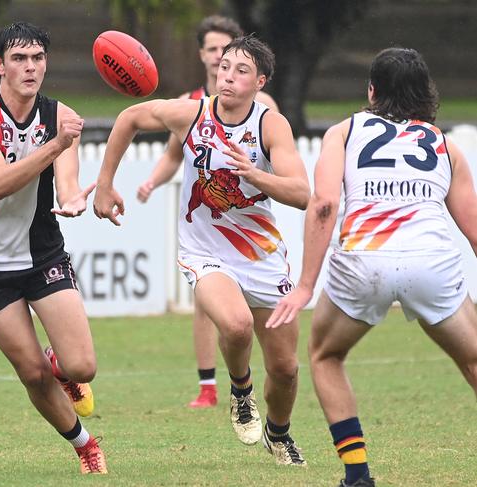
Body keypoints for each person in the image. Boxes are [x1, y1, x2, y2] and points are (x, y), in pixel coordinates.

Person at [95, 35, 310, 466]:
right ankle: (241, 390)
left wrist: (255, 173)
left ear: (260, 81)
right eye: (224, 67)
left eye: (240, 70)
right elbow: (131, 117)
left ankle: (279, 434)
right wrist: (104, 183)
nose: (227, 75)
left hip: (262, 255)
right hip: (204, 249)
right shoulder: (192, 114)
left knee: (286, 369)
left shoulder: (271, 125)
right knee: (234, 325)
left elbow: (302, 193)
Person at [266, 47, 477, 487]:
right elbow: (473, 230)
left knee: (326, 355)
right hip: (431, 262)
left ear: (372, 91)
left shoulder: (344, 132)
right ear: (426, 94)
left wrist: (306, 286)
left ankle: (358, 475)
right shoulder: (445, 146)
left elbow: (323, 203)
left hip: (364, 262)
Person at [0, 22, 106, 474]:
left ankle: (64, 369)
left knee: (82, 367)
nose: (30, 67)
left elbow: (67, 186)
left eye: (38, 58)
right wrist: (57, 144)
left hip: (42, 254)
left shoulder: (61, 116)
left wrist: (77, 200)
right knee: (32, 373)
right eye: (19, 58)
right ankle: (86, 447)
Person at [136, 15, 280, 410]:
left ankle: (259, 384)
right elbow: (170, 155)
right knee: (211, 305)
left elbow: (276, 163)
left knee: (263, 336)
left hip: (251, 233)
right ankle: (208, 386)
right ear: (202, 55)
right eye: (214, 50)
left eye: (226, 49)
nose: (221, 58)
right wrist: (151, 182)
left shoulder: (263, 108)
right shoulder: (188, 106)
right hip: (206, 228)